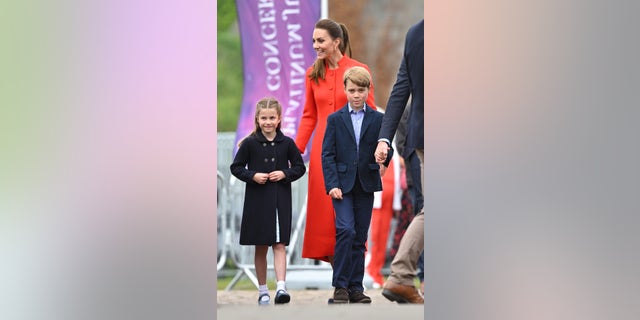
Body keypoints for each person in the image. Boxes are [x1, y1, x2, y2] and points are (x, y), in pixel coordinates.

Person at [295, 18, 377, 265]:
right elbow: (309, 116)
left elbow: (371, 114)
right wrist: (293, 149)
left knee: (350, 219)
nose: (316, 46)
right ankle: (340, 277)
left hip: (353, 154)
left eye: (320, 40)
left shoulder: (359, 69)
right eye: (313, 41)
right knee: (325, 219)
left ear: (336, 41)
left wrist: (377, 153)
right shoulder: (312, 74)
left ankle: (350, 277)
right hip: (323, 155)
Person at [322, 66, 391, 304]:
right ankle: (340, 286)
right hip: (341, 186)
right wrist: (331, 183)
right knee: (345, 230)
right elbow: (327, 154)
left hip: (366, 183)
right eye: (352, 90)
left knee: (360, 236)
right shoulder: (335, 120)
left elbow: (385, 148)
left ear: (367, 90)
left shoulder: (378, 119)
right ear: (345, 90)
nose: (356, 95)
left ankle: (355, 287)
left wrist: (385, 157)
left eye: (361, 90)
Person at [230, 97, 307, 305]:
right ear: (257, 118)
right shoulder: (249, 143)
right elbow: (236, 167)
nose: (268, 122)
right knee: (261, 246)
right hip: (257, 201)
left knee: (280, 244)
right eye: (264, 118)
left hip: (280, 201)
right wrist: (252, 175)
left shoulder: (287, 143)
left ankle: (281, 287)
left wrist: (284, 173)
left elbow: (300, 167)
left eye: (272, 117)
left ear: (279, 118)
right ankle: (263, 290)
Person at [374, 19, 424, 304]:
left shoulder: (415, 33)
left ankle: (402, 276)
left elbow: (400, 89)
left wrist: (384, 138)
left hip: (422, 137)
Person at [366, 144, 402, 288]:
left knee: (383, 238)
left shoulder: (394, 148)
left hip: (389, 201)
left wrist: (396, 203)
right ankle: (369, 272)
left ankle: (377, 272)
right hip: (376, 201)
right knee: (372, 237)